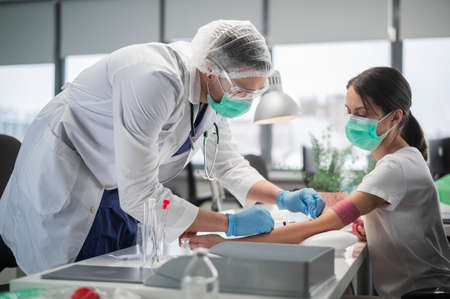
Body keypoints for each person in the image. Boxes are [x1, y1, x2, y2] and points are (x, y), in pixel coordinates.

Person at [0, 20, 324, 274]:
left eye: (252, 94)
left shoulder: (211, 96)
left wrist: (281, 197)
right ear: (212, 69)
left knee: (120, 275)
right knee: (75, 281)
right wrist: (231, 224)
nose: (245, 101)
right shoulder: (153, 77)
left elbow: (227, 164)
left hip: (118, 191)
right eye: (240, 90)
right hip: (69, 181)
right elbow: (140, 194)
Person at [189, 67, 450, 299]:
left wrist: (226, 245)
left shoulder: (394, 168)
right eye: (349, 112)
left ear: (395, 118)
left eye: (362, 113)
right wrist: (367, 224)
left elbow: (312, 229)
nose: (353, 122)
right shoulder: (407, 158)